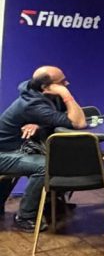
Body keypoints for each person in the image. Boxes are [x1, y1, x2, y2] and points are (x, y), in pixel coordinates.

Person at [0, 66, 86, 232]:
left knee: (62, 157)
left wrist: (39, 124)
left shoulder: (43, 95)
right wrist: (66, 94)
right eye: (62, 82)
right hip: (5, 154)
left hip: (20, 148)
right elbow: (79, 122)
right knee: (45, 166)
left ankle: (51, 203)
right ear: (46, 87)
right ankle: (25, 216)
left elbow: (71, 116)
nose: (67, 84)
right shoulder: (32, 103)